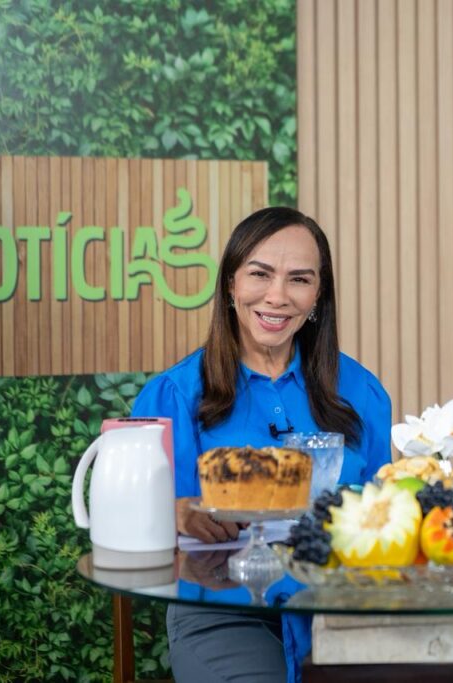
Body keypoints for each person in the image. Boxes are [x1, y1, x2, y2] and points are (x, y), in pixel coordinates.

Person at [132, 207, 391, 683]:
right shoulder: (173, 394)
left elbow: (387, 512)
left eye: (299, 279)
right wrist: (173, 512)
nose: (278, 296)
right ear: (231, 284)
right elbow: (132, 521)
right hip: (224, 616)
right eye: (260, 274)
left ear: (318, 295)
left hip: (343, 611)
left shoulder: (362, 392)